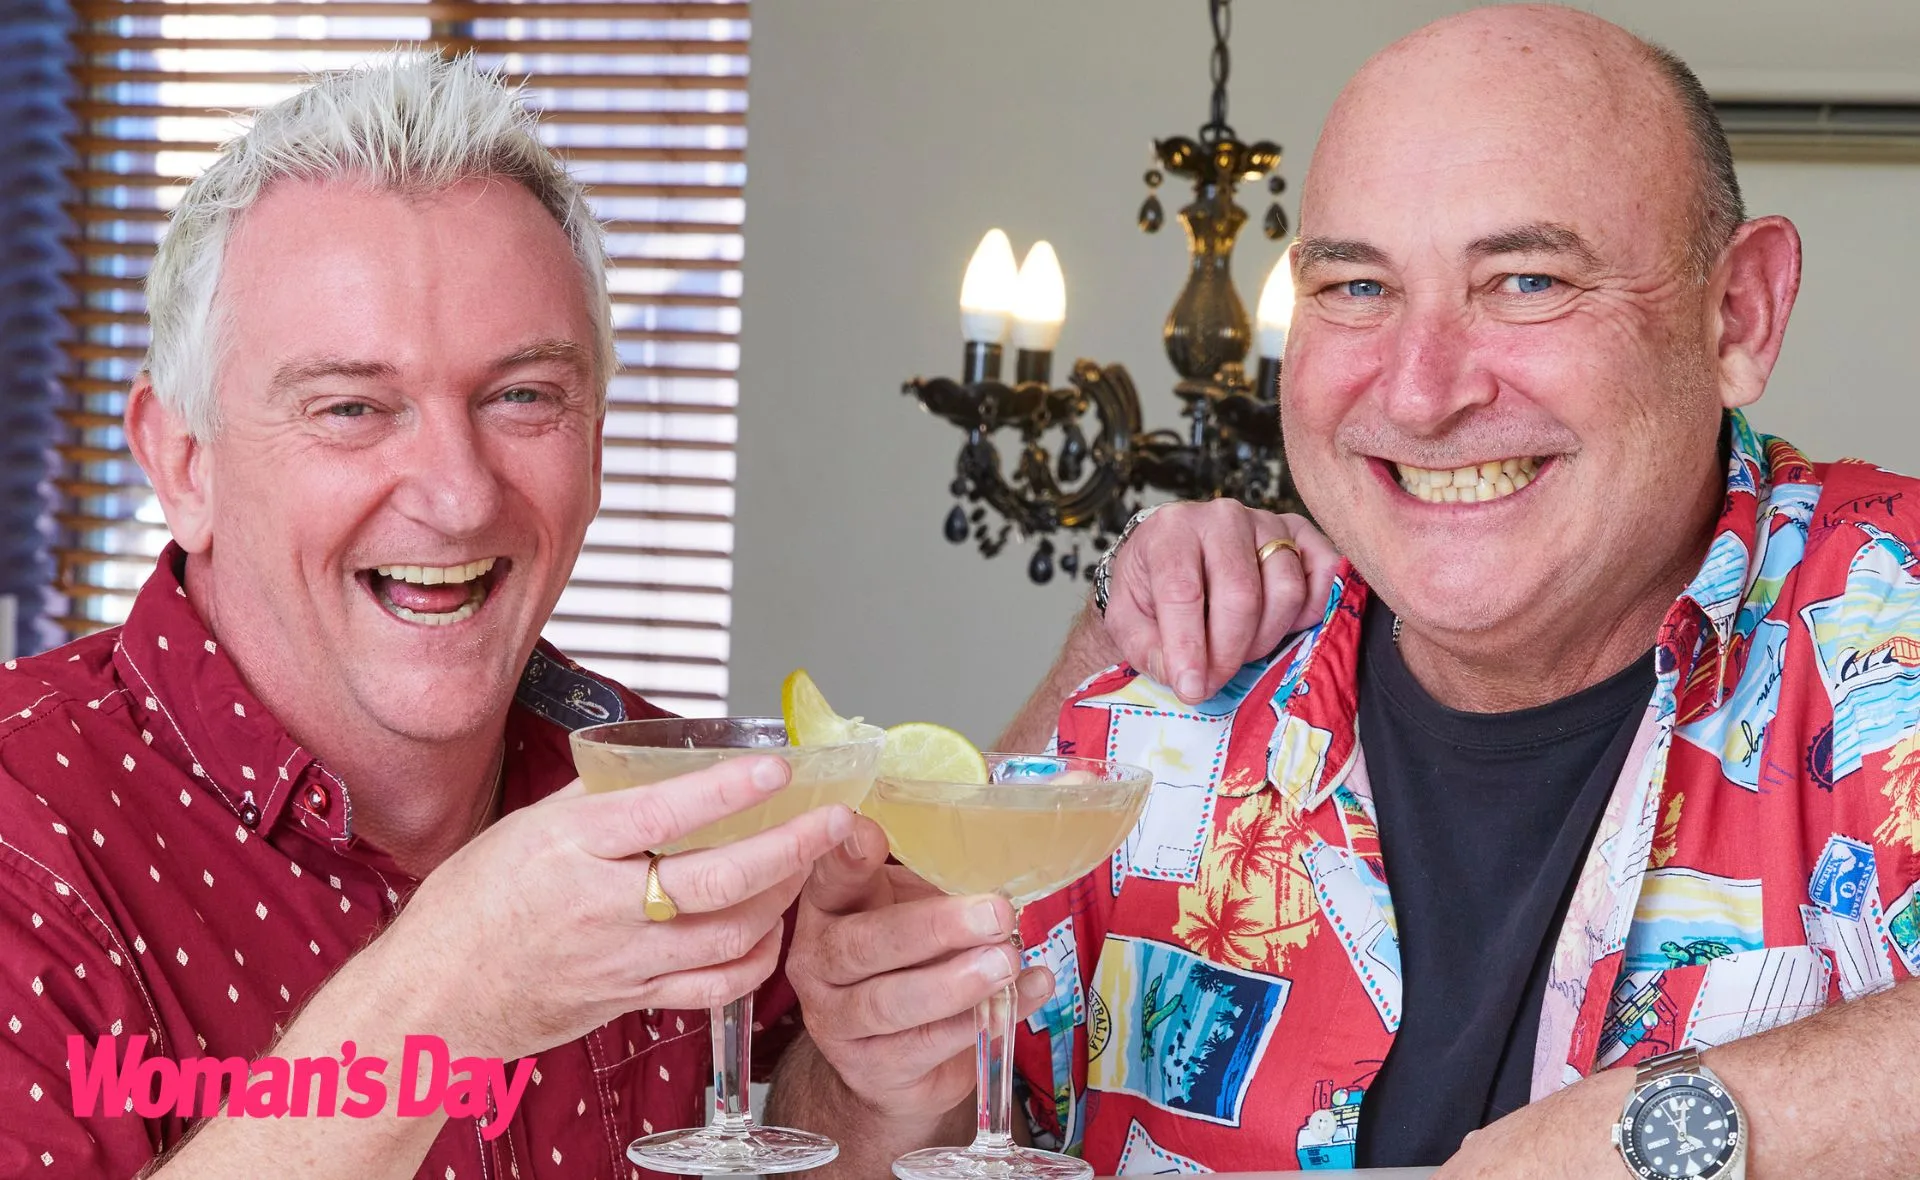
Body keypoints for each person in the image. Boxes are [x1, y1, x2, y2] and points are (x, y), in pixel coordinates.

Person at [0, 56, 1323, 1179]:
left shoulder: (661, 773)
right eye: (352, 407)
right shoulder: (26, 827)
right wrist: (446, 1003)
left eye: (522, 397)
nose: (458, 495)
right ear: (179, 463)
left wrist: (861, 1091)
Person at [771, 7, 1920, 1178]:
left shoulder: (1895, 624)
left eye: (1526, 279)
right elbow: (839, 1140)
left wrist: (1660, 1132)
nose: (1421, 396)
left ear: (1740, 315)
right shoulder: (1153, 714)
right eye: (1359, 288)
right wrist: (868, 1087)